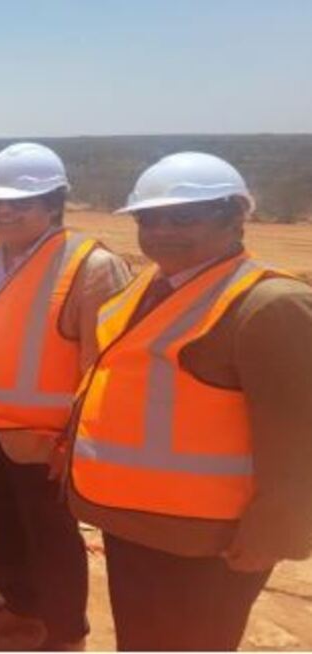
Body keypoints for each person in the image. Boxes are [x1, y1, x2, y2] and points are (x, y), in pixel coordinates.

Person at [62, 152, 312, 650]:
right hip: (133, 519)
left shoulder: (270, 305)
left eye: (183, 218)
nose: (161, 232)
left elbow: (299, 432)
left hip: (208, 539)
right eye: (148, 219)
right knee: (142, 640)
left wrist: (277, 531)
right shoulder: (149, 288)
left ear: (234, 218)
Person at [0, 143, 130, 650]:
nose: (3, 212)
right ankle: (19, 611)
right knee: (3, 529)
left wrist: (81, 441)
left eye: (20, 201)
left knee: (52, 539)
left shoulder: (91, 265)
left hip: (45, 440)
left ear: (54, 201)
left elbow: (106, 365)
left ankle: (62, 634)